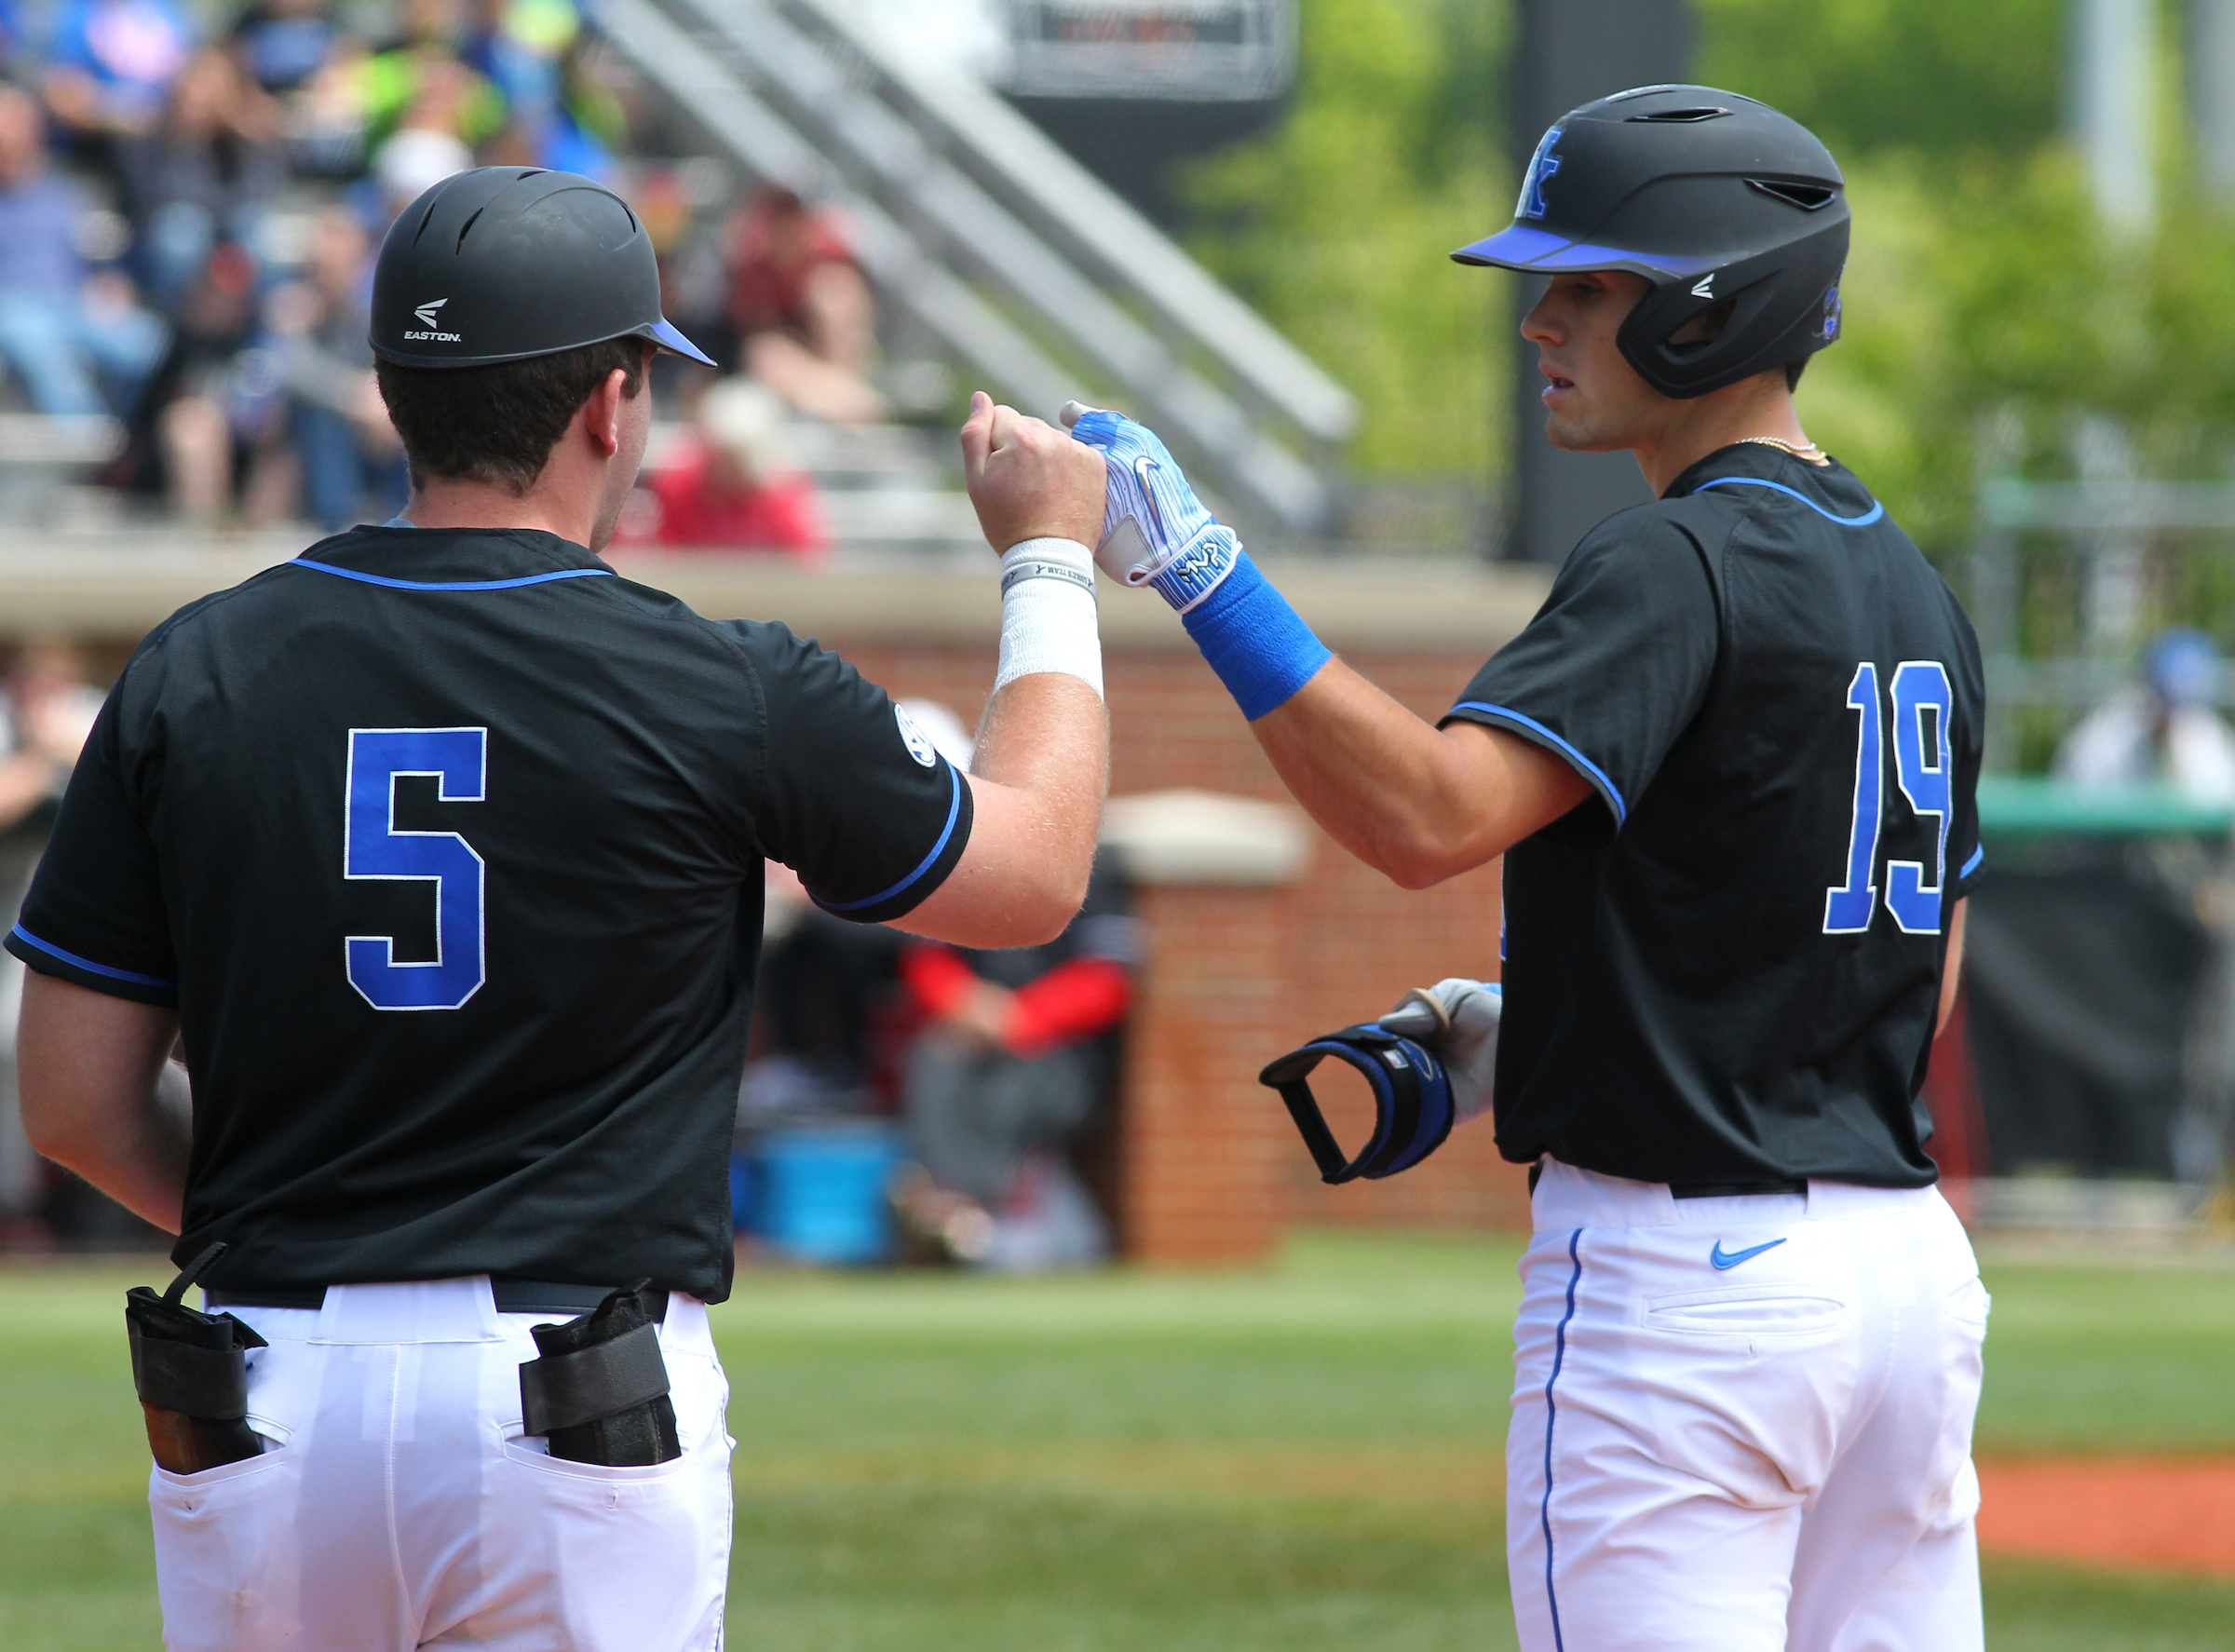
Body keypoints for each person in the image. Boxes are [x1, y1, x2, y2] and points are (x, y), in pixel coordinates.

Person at [8, 165, 1110, 1650]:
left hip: (267, 1381)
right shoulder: (723, 682)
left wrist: (321, 1230)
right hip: (570, 1392)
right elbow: (1034, 873)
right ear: (610, 402)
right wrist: (1048, 559)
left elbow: (71, 1102)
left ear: (396, 392)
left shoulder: (189, 669)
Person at [1054, 88, 1990, 1652]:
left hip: (1690, 1293)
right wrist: (1570, 1015)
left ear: (1710, 303)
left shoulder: (1678, 552)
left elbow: (1425, 815)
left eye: (1590, 282)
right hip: (1903, 1282)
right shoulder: (1914, 580)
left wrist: (1192, 561)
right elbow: (1918, 972)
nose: (1539, 319)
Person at [0, 84, 166, 417]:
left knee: (151, 345)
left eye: (15, 123)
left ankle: (140, 440)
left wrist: (113, 282)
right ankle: (93, 453)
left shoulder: (67, 190)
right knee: (49, 354)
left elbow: (100, 254)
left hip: (73, 301)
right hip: (12, 306)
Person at [726, 184, 887, 423]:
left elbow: (858, 301)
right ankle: (846, 403)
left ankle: (849, 392)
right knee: (766, 352)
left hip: (836, 355)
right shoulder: (752, 261)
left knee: (833, 291)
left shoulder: (827, 246)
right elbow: (754, 326)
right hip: (788, 357)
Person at [627, 375, 827, 555]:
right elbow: (667, 554)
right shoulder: (678, 485)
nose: (735, 468)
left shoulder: (785, 494)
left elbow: (806, 563)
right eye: (729, 455)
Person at [2057, 627, 2235, 803]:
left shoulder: (2209, 739)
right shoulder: (2103, 741)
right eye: (2163, 701)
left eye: (2180, 705)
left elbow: (2221, 805)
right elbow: (2072, 808)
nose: (2169, 715)